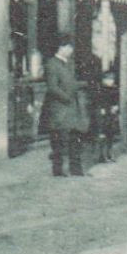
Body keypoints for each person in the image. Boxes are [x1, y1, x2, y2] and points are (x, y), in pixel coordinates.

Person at [40, 41, 89, 177]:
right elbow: (52, 87)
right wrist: (66, 98)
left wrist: (81, 85)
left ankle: (76, 169)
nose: (71, 51)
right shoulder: (52, 64)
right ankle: (58, 170)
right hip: (59, 109)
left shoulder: (67, 64)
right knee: (58, 141)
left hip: (71, 109)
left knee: (75, 138)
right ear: (61, 47)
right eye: (69, 48)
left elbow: (69, 83)